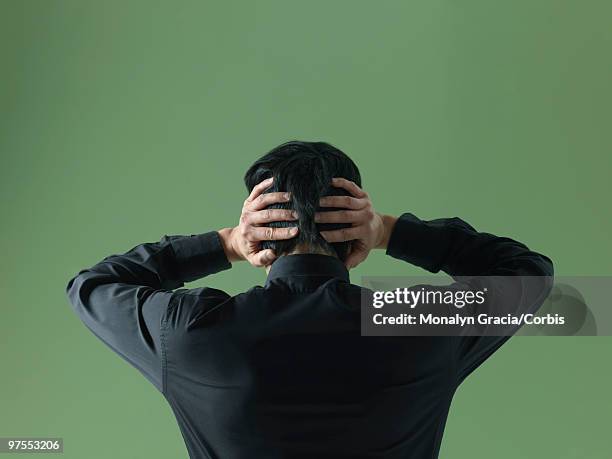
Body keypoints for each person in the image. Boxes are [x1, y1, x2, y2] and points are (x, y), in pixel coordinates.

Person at [66, 141, 554, 459]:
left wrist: (228, 242)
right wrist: (389, 230)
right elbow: (529, 276)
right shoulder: (413, 321)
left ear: (265, 240)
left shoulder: (193, 331)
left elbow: (93, 287)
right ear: (352, 237)